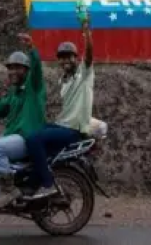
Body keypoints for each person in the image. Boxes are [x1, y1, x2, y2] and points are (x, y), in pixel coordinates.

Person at [23, 14, 95, 201]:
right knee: (31, 132)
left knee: (33, 139)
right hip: (62, 125)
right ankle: (30, 183)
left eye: (69, 57)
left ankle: (47, 184)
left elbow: (89, 55)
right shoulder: (63, 81)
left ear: (75, 58)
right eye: (61, 58)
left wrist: (86, 30)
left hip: (73, 130)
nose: (65, 61)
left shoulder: (84, 75)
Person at [0, 33, 46, 208]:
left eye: (17, 68)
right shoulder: (14, 91)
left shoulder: (33, 86)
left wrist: (31, 48)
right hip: (15, 134)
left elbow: (37, 68)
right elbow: (0, 107)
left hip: (27, 137)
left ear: (26, 70)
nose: (13, 71)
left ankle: (8, 190)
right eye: (10, 68)